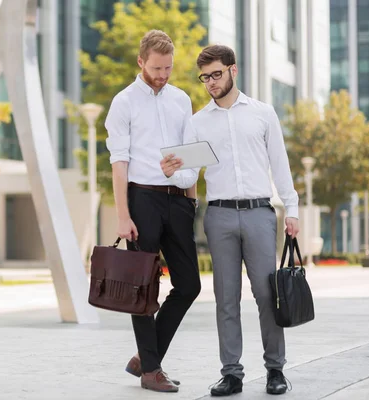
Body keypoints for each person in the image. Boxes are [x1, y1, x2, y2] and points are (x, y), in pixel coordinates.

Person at [161, 44, 300, 396]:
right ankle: (232, 373)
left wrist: (292, 210)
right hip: (219, 215)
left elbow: (280, 165)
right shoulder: (198, 121)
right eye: (204, 77)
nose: (210, 82)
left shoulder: (263, 113)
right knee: (225, 298)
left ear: (233, 70)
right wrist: (171, 171)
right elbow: (188, 175)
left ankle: (275, 371)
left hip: (259, 213)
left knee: (268, 295)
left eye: (216, 74)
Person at [105, 29, 201, 393]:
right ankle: (150, 372)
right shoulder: (124, 102)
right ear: (141, 62)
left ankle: (147, 357)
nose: (163, 74)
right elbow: (119, 162)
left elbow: (191, 153)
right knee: (143, 288)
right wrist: (122, 215)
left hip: (178, 200)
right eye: (157, 67)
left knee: (189, 285)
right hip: (141, 199)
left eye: (169, 68)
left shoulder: (181, 99)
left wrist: (190, 198)